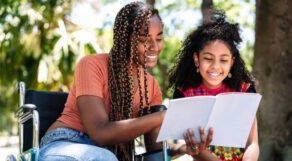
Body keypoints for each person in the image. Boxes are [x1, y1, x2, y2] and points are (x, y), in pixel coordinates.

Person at [38, 2, 166, 161]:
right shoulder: (91, 65)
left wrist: (186, 146)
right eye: (144, 39)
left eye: (159, 38)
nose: (154, 46)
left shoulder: (152, 87)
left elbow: (155, 156)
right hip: (65, 142)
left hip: (107, 154)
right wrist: (163, 116)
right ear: (124, 39)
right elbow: (100, 133)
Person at [168, 11, 259, 161]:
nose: (215, 66)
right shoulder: (185, 95)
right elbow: (194, 148)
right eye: (208, 58)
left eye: (223, 60)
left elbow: (253, 143)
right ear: (197, 59)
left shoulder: (245, 91)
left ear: (232, 62)